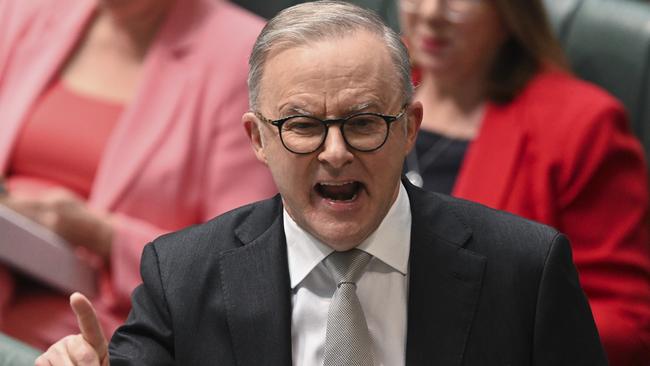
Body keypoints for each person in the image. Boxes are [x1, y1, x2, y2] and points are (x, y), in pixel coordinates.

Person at [36, 2, 607, 365]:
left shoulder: (526, 270)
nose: (336, 154)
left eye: (362, 123)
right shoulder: (181, 276)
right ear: (257, 139)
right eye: (303, 127)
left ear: (409, 128)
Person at [0, 0, 276, 350]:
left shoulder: (244, 54)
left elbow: (239, 265)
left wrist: (100, 234)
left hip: (103, 325)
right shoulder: (22, 9)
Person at [398, 0, 650, 364]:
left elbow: (627, 322)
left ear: (509, 13)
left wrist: (496, 337)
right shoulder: (367, 80)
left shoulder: (582, 126)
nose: (430, 13)